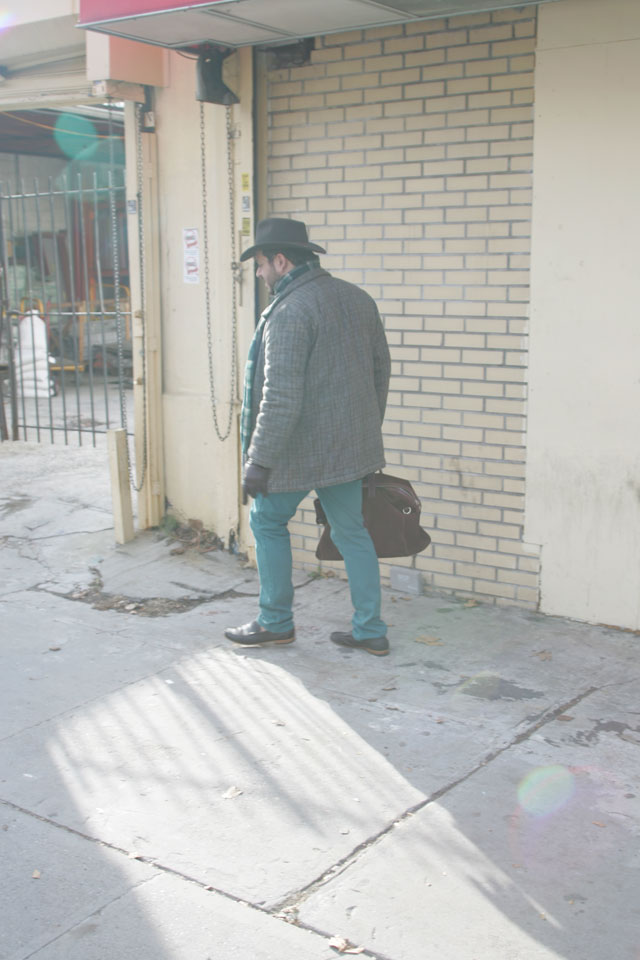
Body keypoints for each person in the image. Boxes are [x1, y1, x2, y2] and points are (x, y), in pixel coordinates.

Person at [224, 217, 391, 656]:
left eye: (260, 264)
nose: (259, 274)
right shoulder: (357, 299)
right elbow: (381, 373)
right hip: (350, 448)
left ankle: (276, 622)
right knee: (352, 531)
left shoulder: (290, 310)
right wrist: (365, 431)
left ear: (281, 261)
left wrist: (258, 460)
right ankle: (371, 629)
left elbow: (279, 396)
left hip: (298, 451)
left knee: (266, 520)